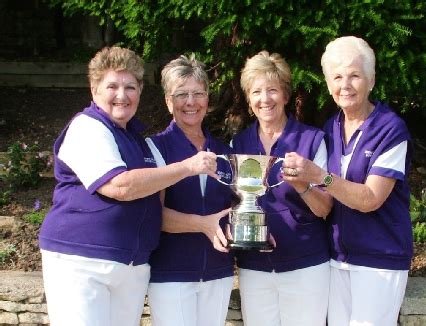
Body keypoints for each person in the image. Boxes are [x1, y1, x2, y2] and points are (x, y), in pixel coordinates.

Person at [38, 46, 219, 326]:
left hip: (129, 267)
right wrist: (188, 167)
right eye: (112, 86)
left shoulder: (133, 137)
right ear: (94, 89)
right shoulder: (87, 127)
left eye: (130, 87)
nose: (122, 95)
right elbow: (119, 187)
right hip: (83, 263)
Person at [288, 36, 413, 325]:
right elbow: (327, 200)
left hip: (380, 259)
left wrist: (319, 176)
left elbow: (371, 199)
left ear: (371, 80)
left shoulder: (390, 129)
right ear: (329, 85)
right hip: (338, 258)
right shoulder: (331, 127)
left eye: (355, 75)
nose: (345, 84)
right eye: (337, 77)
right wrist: (301, 182)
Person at [231, 50, 333, 326]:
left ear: (286, 95)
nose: (265, 99)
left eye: (272, 90)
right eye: (256, 92)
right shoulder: (238, 146)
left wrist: (302, 185)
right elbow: (232, 204)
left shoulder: (312, 140)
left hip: (305, 265)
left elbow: (325, 208)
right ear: (249, 99)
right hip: (254, 269)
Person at [145, 54, 235, 326]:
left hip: (218, 271)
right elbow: (152, 214)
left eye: (198, 93)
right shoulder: (155, 148)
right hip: (172, 273)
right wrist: (203, 225)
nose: (191, 102)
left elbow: (234, 207)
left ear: (208, 98)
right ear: (168, 101)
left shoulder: (225, 151)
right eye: (181, 94)